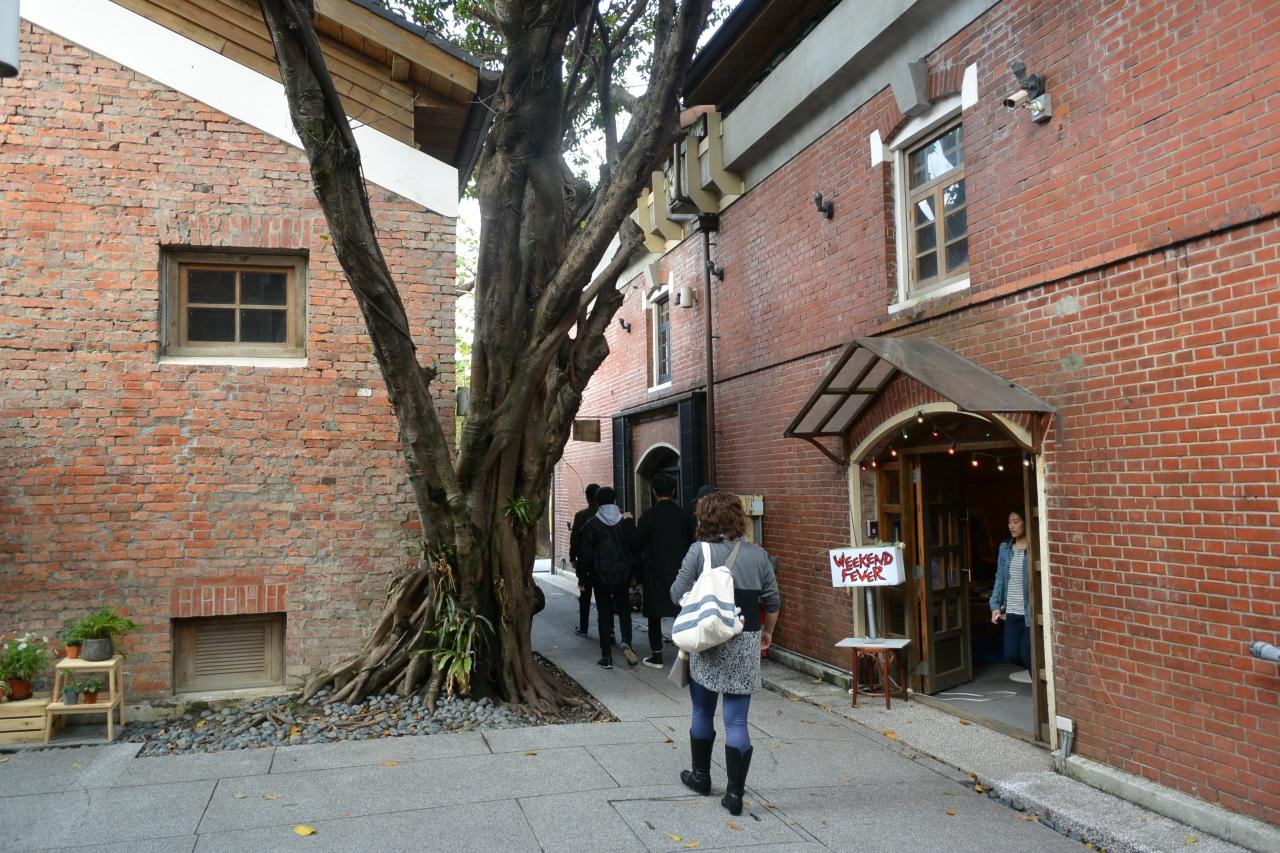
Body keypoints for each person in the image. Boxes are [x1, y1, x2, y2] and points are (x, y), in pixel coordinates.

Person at [670, 490, 779, 817]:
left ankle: (700, 777)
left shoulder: (699, 551)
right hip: (745, 640)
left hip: (708, 641)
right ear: (738, 519)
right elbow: (772, 600)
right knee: (737, 720)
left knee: (702, 712)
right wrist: (768, 632)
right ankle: (734, 795)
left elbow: (676, 593)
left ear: (705, 518)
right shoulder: (758, 555)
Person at [635, 473, 695, 668]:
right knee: (681, 611)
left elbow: (636, 543)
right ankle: (685, 654)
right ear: (674, 491)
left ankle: (657, 655)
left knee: (654, 614)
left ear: (653, 492)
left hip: (654, 571)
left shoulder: (648, 516)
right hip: (681, 571)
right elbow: (692, 544)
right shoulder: (684, 516)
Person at [579, 486, 640, 669]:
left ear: (597, 503)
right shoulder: (625, 522)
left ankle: (606, 656)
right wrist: (636, 574)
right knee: (624, 611)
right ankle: (627, 642)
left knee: (604, 615)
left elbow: (585, 554)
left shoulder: (591, 524)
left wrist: (583, 578)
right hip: (623, 575)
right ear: (615, 500)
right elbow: (634, 547)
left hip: (600, 576)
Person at [989, 507, 1032, 678]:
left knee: (1027, 652)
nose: (1012, 526)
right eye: (1009, 522)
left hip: (1029, 611)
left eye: (1016, 522)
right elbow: (1000, 577)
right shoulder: (1005, 548)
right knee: (1011, 654)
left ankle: (1040, 687)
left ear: (1026, 523)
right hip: (1012, 610)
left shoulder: (1034, 547)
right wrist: (995, 605)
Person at [567, 483, 600, 637]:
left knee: (584, 596)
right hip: (602, 564)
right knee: (603, 597)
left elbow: (574, 540)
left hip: (584, 565)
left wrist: (572, 557)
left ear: (586, 497)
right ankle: (609, 630)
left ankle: (583, 627)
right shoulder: (606, 516)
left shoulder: (580, 516)